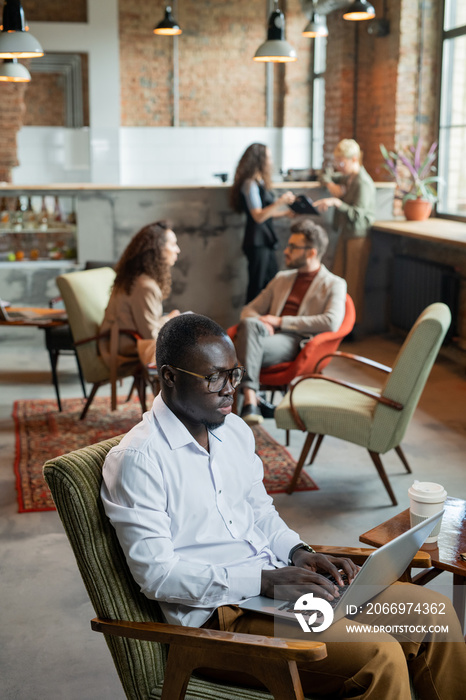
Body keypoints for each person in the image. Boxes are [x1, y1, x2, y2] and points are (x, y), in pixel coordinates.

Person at [101, 313, 466, 700]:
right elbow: (157, 576)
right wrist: (262, 581)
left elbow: (260, 513)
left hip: (278, 587)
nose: (230, 390)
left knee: (435, 616)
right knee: (379, 655)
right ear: (169, 376)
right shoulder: (139, 460)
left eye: (235, 374)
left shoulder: (235, 433)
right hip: (220, 620)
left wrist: (297, 552)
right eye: (215, 378)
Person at [235, 218, 346, 425]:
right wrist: (264, 322)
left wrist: (279, 321)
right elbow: (248, 310)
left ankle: (246, 402)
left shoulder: (334, 284)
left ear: (311, 252)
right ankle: (251, 400)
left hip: (295, 342)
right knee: (250, 326)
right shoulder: (282, 279)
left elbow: (331, 322)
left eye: (293, 247)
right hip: (265, 337)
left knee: (232, 354)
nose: (286, 250)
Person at [99, 220, 181, 368]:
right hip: (124, 347)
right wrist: (169, 320)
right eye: (173, 244)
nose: (178, 250)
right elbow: (150, 336)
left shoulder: (136, 279)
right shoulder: (145, 286)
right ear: (158, 249)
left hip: (118, 341)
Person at [314, 139, 375, 323]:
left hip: (358, 237)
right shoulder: (348, 177)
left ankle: (353, 327)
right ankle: (341, 324)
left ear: (354, 159)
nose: (338, 166)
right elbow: (324, 174)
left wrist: (337, 203)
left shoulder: (362, 182)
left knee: (353, 283)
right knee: (340, 280)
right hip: (345, 234)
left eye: (342, 162)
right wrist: (330, 185)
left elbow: (359, 215)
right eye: (337, 161)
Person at [230, 143, 296, 303]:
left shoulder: (258, 183)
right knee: (257, 286)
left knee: (271, 283)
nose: (271, 161)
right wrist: (280, 202)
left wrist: (285, 214)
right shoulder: (249, 184)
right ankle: (248, 323)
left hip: (264, 240)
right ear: (260, 159)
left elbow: (265, 215)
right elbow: (258, 217)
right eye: (269, 157)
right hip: (256, 242)